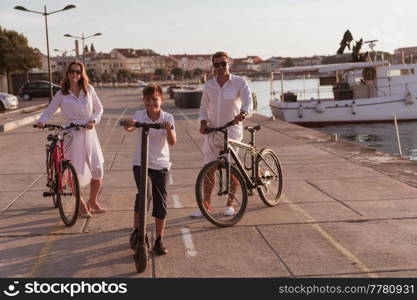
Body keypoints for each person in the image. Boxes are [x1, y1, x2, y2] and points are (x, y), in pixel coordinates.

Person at [36, 60, 105, 218]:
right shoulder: (61, 94)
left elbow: (99, 109)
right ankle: (81, 204)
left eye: (78, 72)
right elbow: (49, 111)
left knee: (98, 170)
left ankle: (93, 201)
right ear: (67, 73)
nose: (75, 74)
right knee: (72, 172)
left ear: (82, 74)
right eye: (72, 71)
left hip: (88, 132)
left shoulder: (89, 89)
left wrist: (93, 120)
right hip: (71, 134)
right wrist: (42, 121)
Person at [190, 51, 253, 218]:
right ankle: (206, 205)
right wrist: (203, 123)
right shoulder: (209, 85)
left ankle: (230, 204)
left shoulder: (240, 83)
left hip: (231, 130)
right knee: (209, 169)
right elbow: (204, 108)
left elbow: (248, 102)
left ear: (228, 63)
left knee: (231, 169)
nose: (220, 67)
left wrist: (244, 114)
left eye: (223, 64)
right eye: (216, 64)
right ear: (213, 66)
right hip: (213, 131)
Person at [123, 84, 176, 255]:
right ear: (143, 100)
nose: (151, 102)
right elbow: (130, 127)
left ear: (161, 99)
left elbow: (173, 142)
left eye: (154, 99)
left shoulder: (168, 117)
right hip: (140, 162)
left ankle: (159, 239)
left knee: (160, 200)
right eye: (147, 99)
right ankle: (138, 231)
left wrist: (168, 129)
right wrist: (130, 124)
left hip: (160, 164)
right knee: (144, 195)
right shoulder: (139, 115)